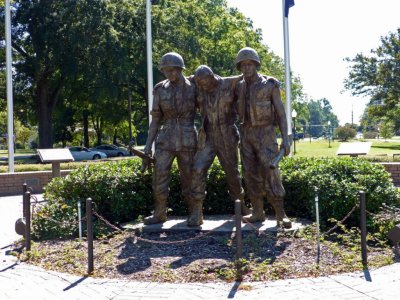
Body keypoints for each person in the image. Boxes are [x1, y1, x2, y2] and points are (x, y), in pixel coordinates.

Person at [234, 47, 292, 228]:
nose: (247, 68)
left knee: (271, 172)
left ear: (256, 64)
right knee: (250, 174)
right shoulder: (239, 85)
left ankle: (280, 214)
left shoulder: (270, 84)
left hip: (265, 133)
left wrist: (286, 137)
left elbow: (281, 114)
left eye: (250, 64)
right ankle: (258, 212)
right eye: (243, 65)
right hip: (246, 133)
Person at [187, 65, 249, 226]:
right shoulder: (198, 84)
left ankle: (241, 207)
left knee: (232, 174)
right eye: (200, 84)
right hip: (208, 135)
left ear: (212, 76)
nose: (203, 87)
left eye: (205, 83)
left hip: (227, 134)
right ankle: (197, 212)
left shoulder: (230, 83)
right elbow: (181, 79)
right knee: (198, 168)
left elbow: (249, 74)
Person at [142, 52, 197, 225]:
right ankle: (159, 213)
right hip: (165, 139)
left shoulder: (194, 87)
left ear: (181, 69)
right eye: (167, 71)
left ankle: (195, 213)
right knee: (160, 177)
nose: (171, 74)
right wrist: (147, 146)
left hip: (188, 138)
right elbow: (156, 120)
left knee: (190, 178)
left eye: (174, 70)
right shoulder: (159, 89)